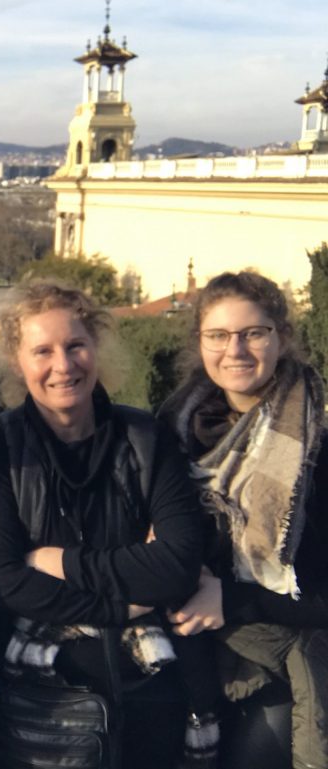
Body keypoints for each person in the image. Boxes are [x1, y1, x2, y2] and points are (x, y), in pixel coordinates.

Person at [0, 283, 204, 769]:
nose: (63, 365)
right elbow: (4, 581)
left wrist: (58, 562)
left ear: (95, 348)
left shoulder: (143, 437)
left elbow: (179, 565)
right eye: (42, 351)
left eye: (75, 345)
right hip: (46, 702)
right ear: (18, 362)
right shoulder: (1, 448)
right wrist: (127, 601)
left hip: (149, 695)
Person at [158, 271, 328, 769]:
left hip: (276, 681)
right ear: (199, 342)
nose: (236, 349)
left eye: (254, 333)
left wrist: (232, 599)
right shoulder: (170, 432)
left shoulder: (316, 446)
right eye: (219, 335)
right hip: (187, 665)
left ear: (282, 338)